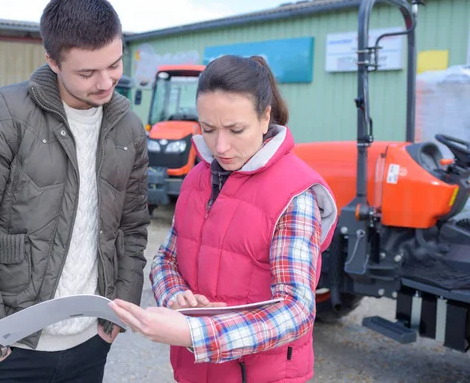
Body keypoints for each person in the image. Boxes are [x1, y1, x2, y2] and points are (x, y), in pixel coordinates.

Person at [0, 0, 149, 383]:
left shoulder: (128, 128)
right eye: (86, 73)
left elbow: (132, 229)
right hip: (13, 349)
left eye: (114, 64)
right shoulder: (4, 115)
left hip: (91, 344)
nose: (105, 83)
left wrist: (120, 310)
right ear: (52, 61)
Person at [109, 55, 338, 383]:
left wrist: (194, 333)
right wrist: (176, 296)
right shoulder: (196, 179)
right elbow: (166, 260)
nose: (221, 146)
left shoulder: (295, 195)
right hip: (195, 372)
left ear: (265, 118)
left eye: (236, 130)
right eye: (208, 129)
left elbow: (296, 311)